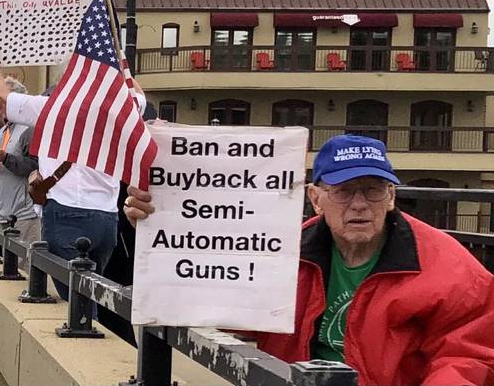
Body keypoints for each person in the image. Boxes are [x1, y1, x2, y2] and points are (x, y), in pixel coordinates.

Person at [124, 134, 494, 386]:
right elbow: (220, 301)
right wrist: (157, 222)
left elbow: (470, 357)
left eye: (374, 190)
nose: (361, 204)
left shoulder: (451, 268)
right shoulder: (280, 249)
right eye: (345, 191)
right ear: (316, 198)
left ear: (392, 196)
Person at [0, 40, 147, 301]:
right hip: (107, 216)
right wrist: (116, 61)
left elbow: (2, 97)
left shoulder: (54, 107)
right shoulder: (123, 107)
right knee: (94, 292)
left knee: (76, 298)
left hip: (67, 212)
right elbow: (136, 91)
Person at [0, 81, 41, 252]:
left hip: (23, 215)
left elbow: (35, 167)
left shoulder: (28, 129)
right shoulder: (4, 131)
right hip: (3, 212)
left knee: (24, 267)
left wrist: (6, 158)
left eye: (2, 101)